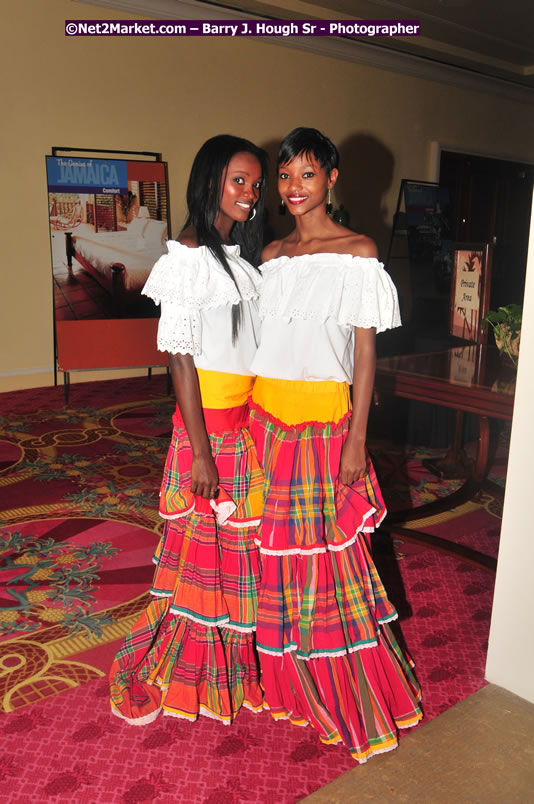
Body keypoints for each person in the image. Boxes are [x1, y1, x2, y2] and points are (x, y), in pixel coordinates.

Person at [248, 127, 422, 762]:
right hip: (266, 419)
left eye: (307, 175)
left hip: (324, 425)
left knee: (328, 564)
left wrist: (357, 438)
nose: (295, 188)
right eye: (286, 176)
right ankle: (290, 683)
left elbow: (366, 355)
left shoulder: (358, 252)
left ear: (332, 179)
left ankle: (343, 690)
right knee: (275, 560)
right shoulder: (269, 255)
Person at [110, 134, 268, 726]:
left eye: (255, 183)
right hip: (209, 434)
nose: (250, 193)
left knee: (238, 558)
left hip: (246, 427)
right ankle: (190, 672)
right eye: (238, 181)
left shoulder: (240, 255)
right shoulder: (188, 256)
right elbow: (180, 360)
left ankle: (233, 668)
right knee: (201, 561)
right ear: (209, 183)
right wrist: (201, 455)